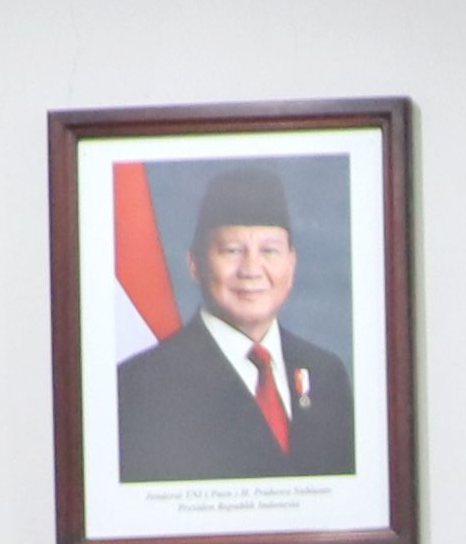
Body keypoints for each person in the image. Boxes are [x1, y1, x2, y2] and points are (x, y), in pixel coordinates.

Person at [114, 162, 357, 481]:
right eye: (232, 250)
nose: (251, 269)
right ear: (194, 264)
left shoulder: (326, 374)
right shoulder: (141, 385)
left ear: (291, 264)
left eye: (269, 250)